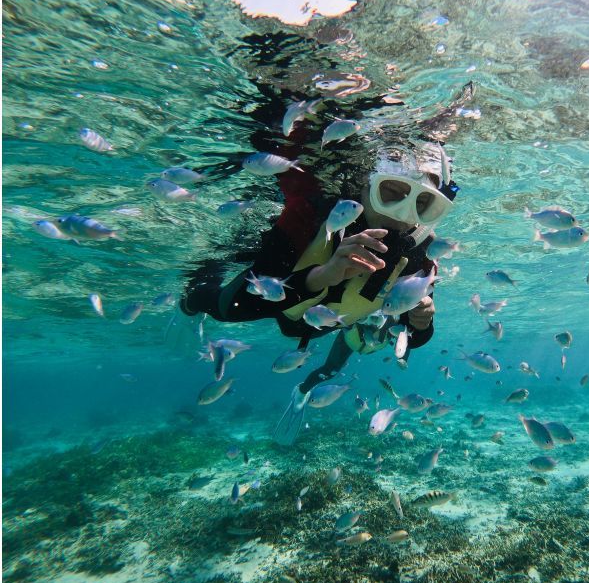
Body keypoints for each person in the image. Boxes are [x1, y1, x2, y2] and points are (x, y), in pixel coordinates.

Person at [174, 128, 459, 445]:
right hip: (285, 295)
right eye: (390, 192)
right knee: (222, 307)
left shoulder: (423, 254)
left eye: (424, 204)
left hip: (328, 324)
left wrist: (421, 323)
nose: (403, 217)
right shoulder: (313, 216)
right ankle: (189, 301)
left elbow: (411, 336)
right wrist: (324, 274)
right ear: (365, 185)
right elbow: (242, 305)